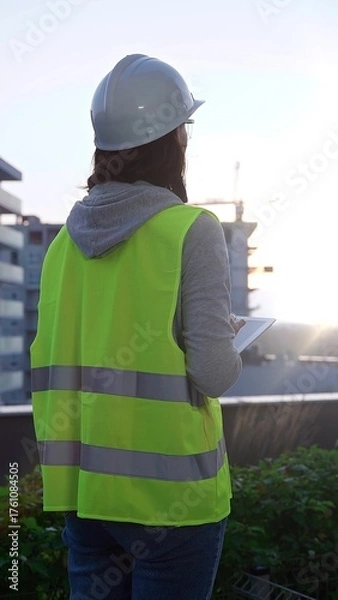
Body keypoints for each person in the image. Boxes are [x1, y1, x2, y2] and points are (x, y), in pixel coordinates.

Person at [31, 54, 244, 600]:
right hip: (170, 506)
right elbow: (214, 373)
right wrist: (223, 335)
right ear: (176, 139)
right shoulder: (191, 230)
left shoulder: (61, 246)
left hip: (86, 496)